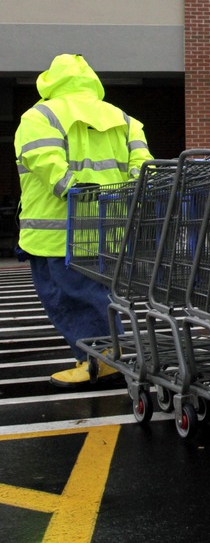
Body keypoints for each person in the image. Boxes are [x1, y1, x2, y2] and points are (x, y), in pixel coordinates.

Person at [14, 54, 153, 388]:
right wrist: (128, 190)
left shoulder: (40, 115)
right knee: (95, 294)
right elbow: (143, 164)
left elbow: (43, 159)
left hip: (56, 231)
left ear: (51, 81)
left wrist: (72, 188)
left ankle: (100, 360)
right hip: (111, 230)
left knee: (66, 297)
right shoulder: (124, 119)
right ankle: (104, 355)